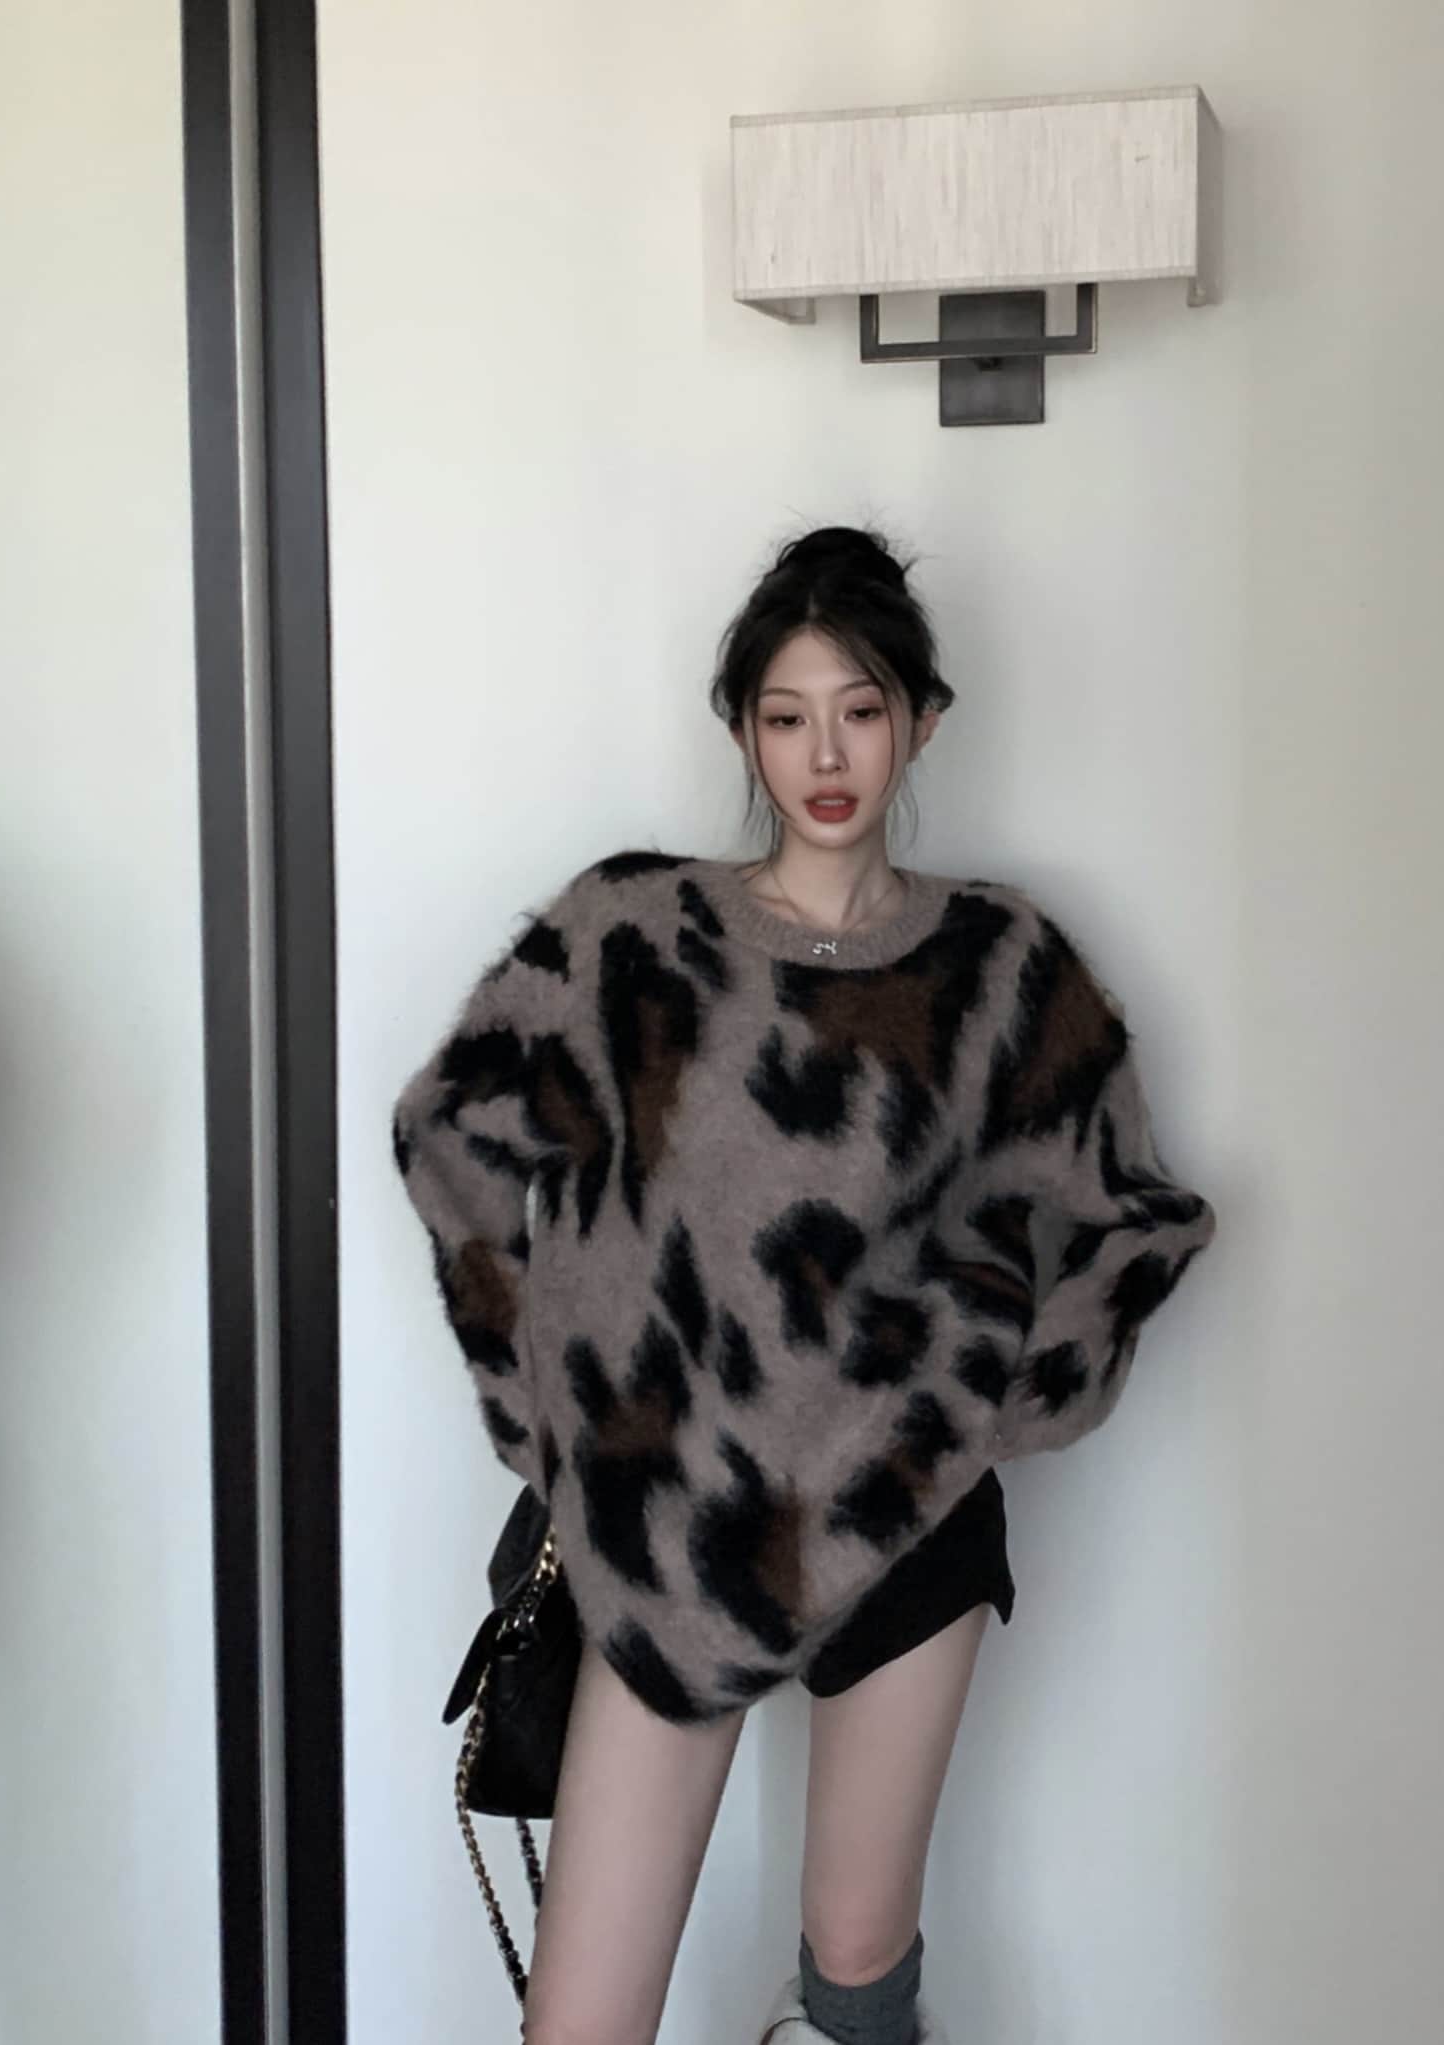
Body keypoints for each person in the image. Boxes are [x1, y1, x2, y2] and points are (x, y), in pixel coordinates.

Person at [392, 525, 1218, 2045]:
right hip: (672, 1539)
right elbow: (453, 1140)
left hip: (907, 1521)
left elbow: (1135, 1219)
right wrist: (552, 1425)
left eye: (859, 709)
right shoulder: (629, 934)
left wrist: (987, 1404)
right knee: (582, 2021)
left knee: (853, 1984)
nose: (825, 755)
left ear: (922, 721)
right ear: (741, 730)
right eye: (785, 714)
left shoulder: (1002, 966)